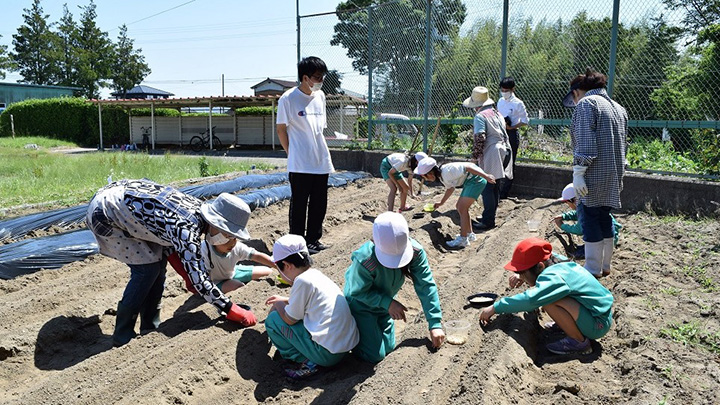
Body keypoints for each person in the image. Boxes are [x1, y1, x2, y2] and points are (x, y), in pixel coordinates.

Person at [86, 182, 257, 347]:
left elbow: (168, 243)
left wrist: (186, 274)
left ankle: (150, 325)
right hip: (107, 213)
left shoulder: (199, 215)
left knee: (157, 266)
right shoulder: (187, 228)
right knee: (147, 270)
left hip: (127, 206)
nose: (232, 242)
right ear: (216, 224)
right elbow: (201, 281)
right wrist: (231, 309)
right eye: (229, 235)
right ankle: (122, 334)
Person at [479, 238, 614, 355]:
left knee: (549, 301)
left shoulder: (553, 277)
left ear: (540, 266)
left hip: (598, 325)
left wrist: (496, 307)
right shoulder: (557, 262)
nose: (522, 277)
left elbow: (531, 299)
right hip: (599, 315)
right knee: (553, 298)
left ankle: (578, 342)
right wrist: (523, 274)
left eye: (523, 272)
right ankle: (567, 325)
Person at [344, 212, 445, 362]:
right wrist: (388, 303)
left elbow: (426, 285)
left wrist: (435, 323)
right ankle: (353, 336)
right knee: (375, 356)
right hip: (362, 307)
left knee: (389, 349)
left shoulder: (416, 252)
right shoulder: (365, 260)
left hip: (385, 307)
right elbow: (357, 293)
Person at [264, 234, 359, 379]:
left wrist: (278, 304)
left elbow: (290, 320)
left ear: (287, 265)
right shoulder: (314, 275)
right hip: (344, 347)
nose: (280, 274)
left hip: (327, 355)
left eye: (279, 269)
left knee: (273, 321)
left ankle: (307, 362)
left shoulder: (301, 281)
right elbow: (311, 302)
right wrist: (286, 300)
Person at [563, 68, 628, 277]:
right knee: (604, 217)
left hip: (594, 173)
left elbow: (586, 143)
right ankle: (605, 265)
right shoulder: (618, 107)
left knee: (590, 218)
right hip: (614, 173)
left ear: (576, 92)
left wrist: (579, 171)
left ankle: (592, 268)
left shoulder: (586, 104)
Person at [277, 56, 333, 255]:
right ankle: (297, 243)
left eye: (322, 77)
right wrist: (290, 153)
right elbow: (281, 129)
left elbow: (319, 129)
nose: (320, 81)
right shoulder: (288, 99)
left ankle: (313, 240)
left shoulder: (321, 96)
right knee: (299, 204)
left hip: (320, 160)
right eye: (317, 77)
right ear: (305, 77)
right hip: (299, 163)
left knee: (319, 203)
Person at [414, 157, 496, 248]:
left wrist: (486, 176)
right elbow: (450, 189)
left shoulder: (447, 172)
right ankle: (469, 234)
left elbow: (468, 167)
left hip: (476, 180)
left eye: (423, 176)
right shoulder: (442, 176)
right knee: (461, 207)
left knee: (462, 208)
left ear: (430, 173)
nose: (425, 179)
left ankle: (463, 239)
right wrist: (441, 203)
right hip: (470, 181)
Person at [462, 86, 512, 231]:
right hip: (505, 150)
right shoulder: (497, 114)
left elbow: (480, 137)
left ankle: (488, 221)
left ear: (476, 105)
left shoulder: (480, 116)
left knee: (487, 187)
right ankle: (489, 216)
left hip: (493, 153)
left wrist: (475, 157)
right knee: (495, 186)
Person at [553, 183, 623, 261]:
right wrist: (564, 216)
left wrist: (562, 225)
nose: (567, 204)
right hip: (610, 237)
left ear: (574, 200)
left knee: (579, 252)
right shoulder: (590, 204)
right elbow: (578, 214)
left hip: (603, 242)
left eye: (567, 202)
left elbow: (579, 229)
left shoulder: (584, 210)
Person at [201, 230, 276, 294]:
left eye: (234, 239)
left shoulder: (236, 247)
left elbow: (256, 256)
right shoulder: (204, 250)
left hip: (232, 273)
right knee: (238, 286)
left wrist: (276, 265)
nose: (232, 244)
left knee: (268, 271)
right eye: (226, 241)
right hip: (214, 283)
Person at [497, 77, 529, 199]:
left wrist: (512, 127)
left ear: (512, 89)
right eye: (502, 89)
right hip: (500, 132)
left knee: (509, 162)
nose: (504, 92)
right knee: (498, 160)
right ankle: (497, 189)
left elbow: (525, 121)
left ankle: (505, 192)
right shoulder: (500, 101)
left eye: (506, 90)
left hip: (511, 133)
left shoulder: (518, 103)